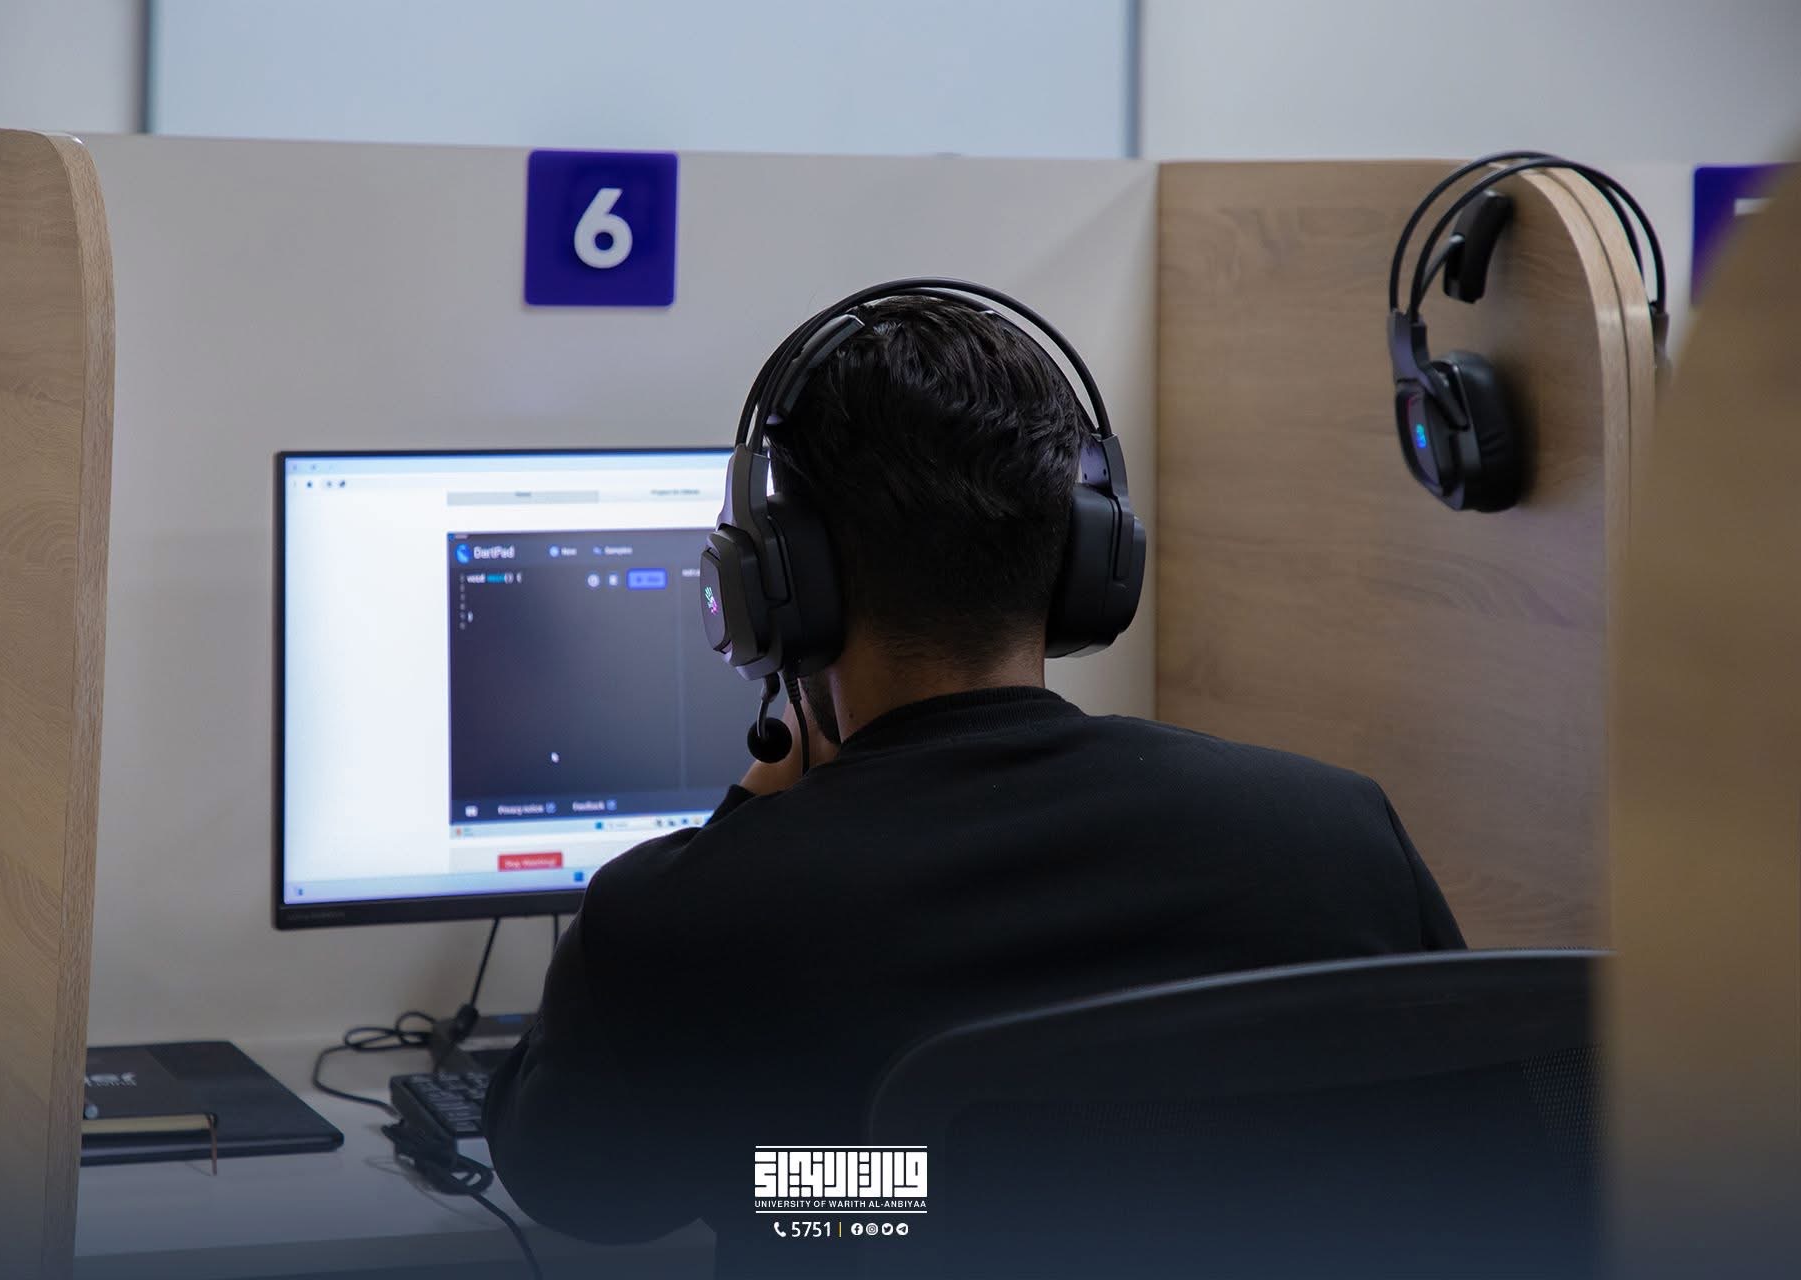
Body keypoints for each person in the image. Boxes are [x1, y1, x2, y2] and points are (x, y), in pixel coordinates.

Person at [483, 294, 1464, 1277]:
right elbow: (1465, 1166)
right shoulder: (1339, 838)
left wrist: (741, 821)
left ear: (777, 595)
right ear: (1086, 566)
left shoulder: (688, 917)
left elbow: (587, 1194)